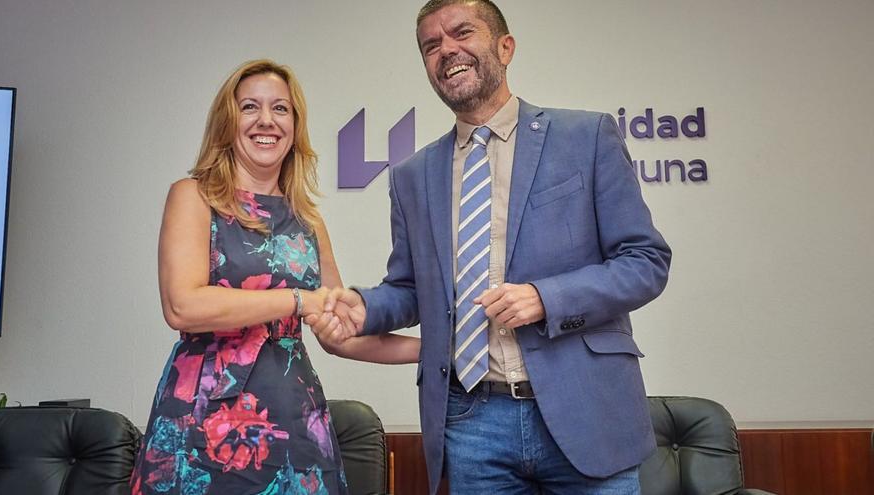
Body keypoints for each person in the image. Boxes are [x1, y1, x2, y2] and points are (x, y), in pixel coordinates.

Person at [307, 1, 672, 493]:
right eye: (431, 45)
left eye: (462, 33)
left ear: (505, 46)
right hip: (471, 421)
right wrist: (364, 306)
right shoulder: (412, 177)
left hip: (587, 409)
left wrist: (547, 298)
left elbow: (645, 262)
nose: (446, 50)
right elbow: (413, 289)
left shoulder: (585, 137)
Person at [130, 59, 419, 495]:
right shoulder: (193, 196)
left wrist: (437, 350)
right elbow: (182, 306)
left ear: (295, 125)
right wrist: (299, 301)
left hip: (292, 421)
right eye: (250, 107)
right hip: (201, 420)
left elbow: (338, 332)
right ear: (228, 122)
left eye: (280, 109)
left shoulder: (308, 219)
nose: (266, 120)